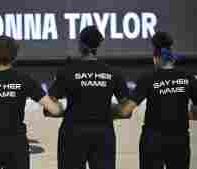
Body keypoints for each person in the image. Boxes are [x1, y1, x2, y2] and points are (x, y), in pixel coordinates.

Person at [0, 35, 63, 169]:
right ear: (14, 56)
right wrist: (60, 107)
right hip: (16, 144)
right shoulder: (25, 79)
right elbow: (54, 109)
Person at [45, 25, 133, 169]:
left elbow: (49, 107)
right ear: (97, 46)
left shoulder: (67, 71)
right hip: (103, 135)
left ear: (80, 45)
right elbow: (126, 111)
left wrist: (64, 110)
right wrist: (105, 109)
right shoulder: (113, 72)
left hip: (72, 134)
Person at [125, 31, 197, 169]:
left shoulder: (148, 78)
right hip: (179, 140)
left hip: (152, 141)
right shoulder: (188, 77)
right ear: (173, 59)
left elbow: (126, 110)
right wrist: (184, 115)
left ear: (155, 59)